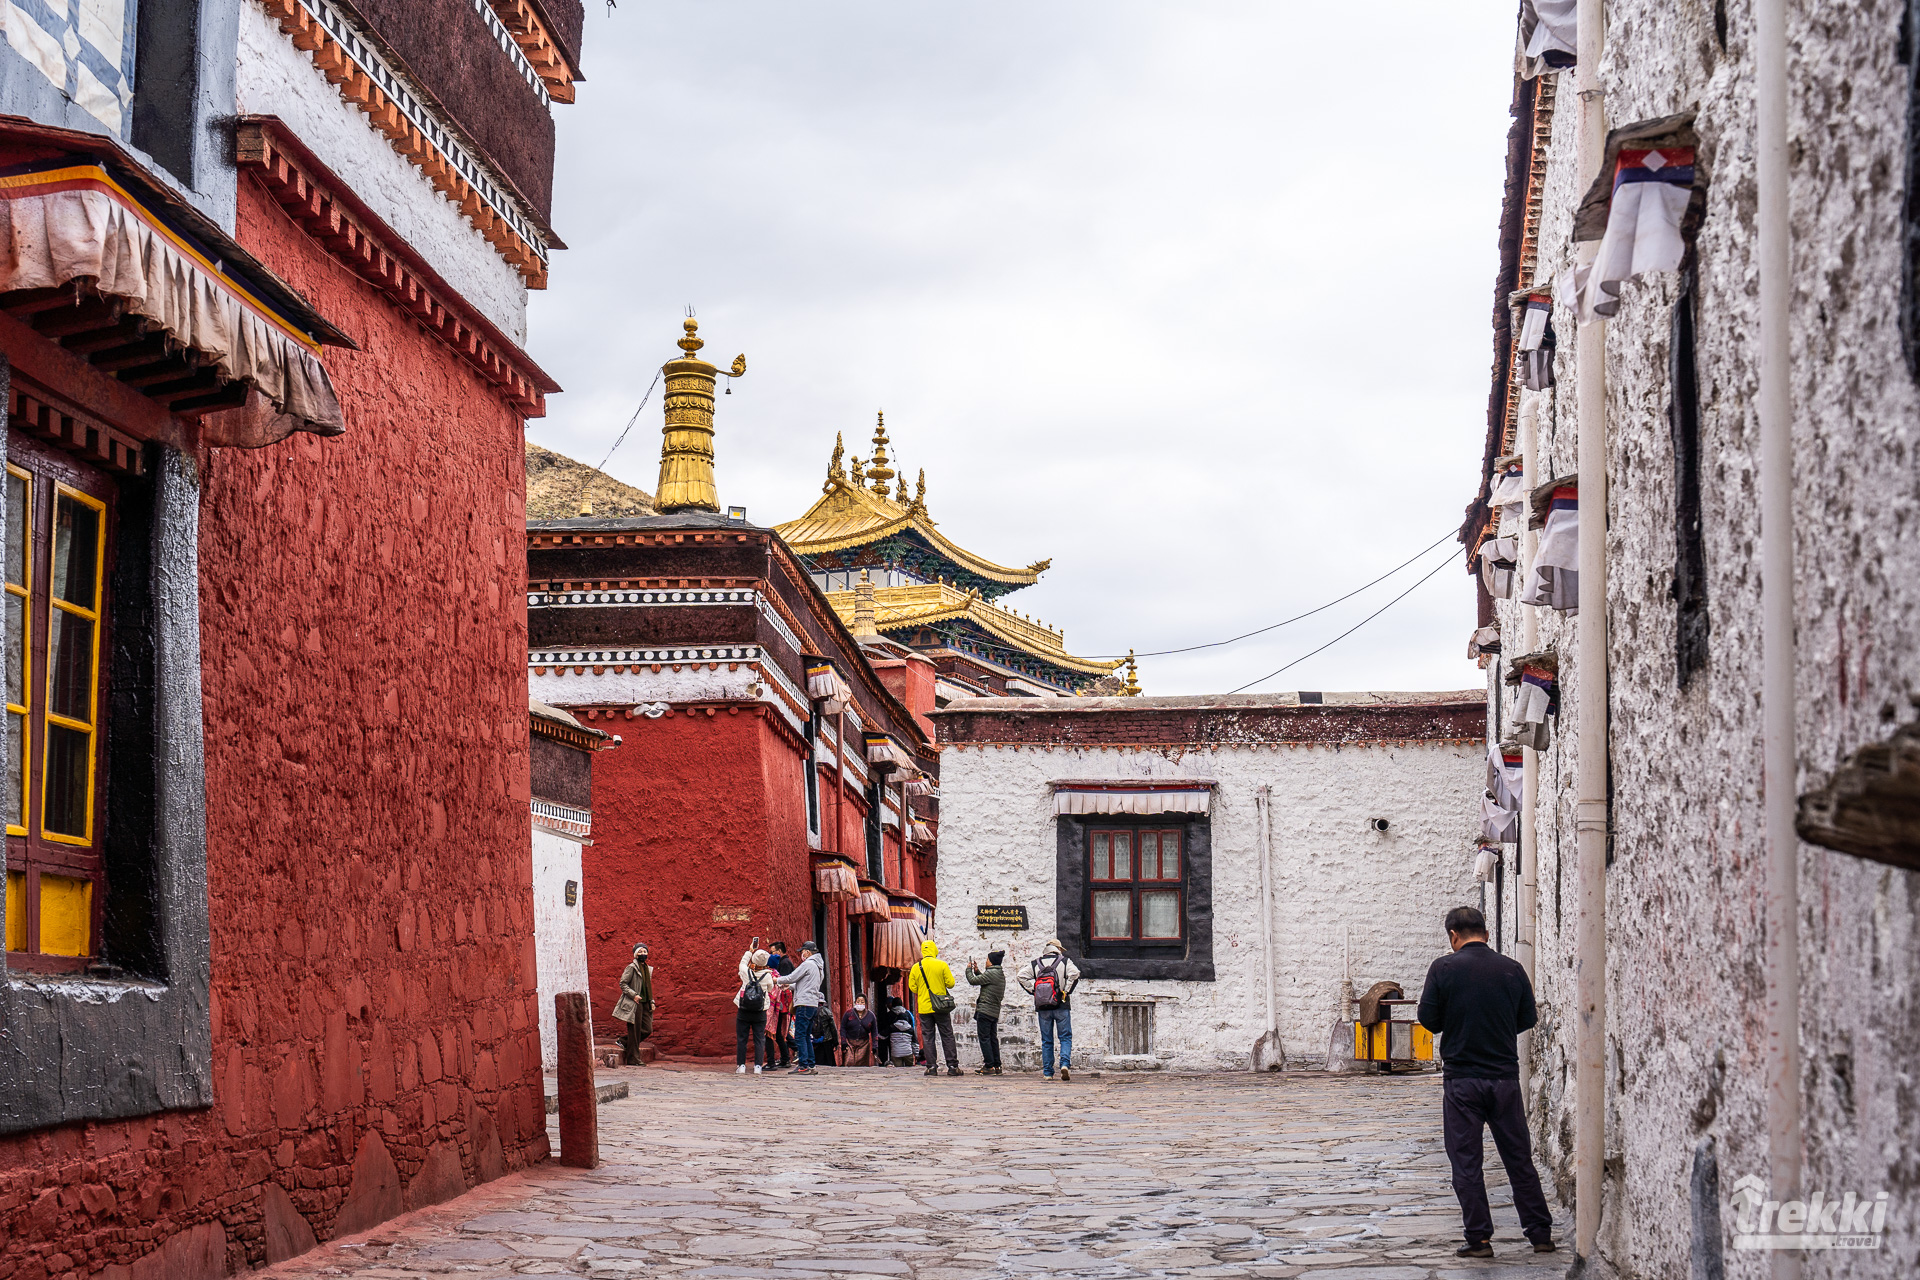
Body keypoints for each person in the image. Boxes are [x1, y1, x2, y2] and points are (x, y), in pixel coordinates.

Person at [1416, 905, 1557, 1258]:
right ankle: (1540, 1234)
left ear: (1453, 936)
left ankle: (1479, 1238)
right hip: (1504, 1078)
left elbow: (1429, 1020)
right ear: (1487, 933)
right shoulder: (1512, 969)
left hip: (1462, 1080)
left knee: (1466, 1161)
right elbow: (1527, 1017)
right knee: (1518, 1158)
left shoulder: (1443, 968)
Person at [1017, 938, 1080, 1081]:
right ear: (1058, 949)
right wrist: (1065, 991)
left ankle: (1048, 1073)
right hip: (1061, 1005)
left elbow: (1020, 976)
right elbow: (1075, 973)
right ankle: (1064, 1064)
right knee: (1064, 1037)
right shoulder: (1064, 962)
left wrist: (1034, 991)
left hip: (1043, 1007)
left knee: (1046, 1040)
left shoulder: (1036, 963)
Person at [906, 939, 960, 1076]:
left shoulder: (916, 967)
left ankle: (931, 1067)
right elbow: (951, 983)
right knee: (947, 1035)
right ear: (934, 950)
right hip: (941, 1007)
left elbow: (912, 988)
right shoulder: (941, 965)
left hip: (924, 1008)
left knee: (928, 1037)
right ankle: (952, 1066)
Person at [774, 941, 827, 1075]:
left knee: (800, 1035)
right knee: (806, 1035)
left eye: (802, 952)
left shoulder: (808, 964)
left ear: (808, 952)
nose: (801, 954)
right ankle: (810, 1063)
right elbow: (805, 983)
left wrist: (777, 980)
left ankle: (803, 1064)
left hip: (804, 1003)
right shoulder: (818, 967)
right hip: (812, 1003)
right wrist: (790, 987)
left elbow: (793, 977)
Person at [734, 946, 776, 1074]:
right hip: (760, 1010)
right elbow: (769, 989)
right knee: (759, 1038)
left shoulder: (746, 973)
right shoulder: (768, 976)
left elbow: (742, 963)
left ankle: (741, 1065)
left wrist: (750, 951)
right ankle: (758, 1066)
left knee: (742, 1038)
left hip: (744, 1009)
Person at [965, 949, 1007, 1075]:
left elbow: (973, 981)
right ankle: (997, 1065)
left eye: (987, 959)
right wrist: (977, 971)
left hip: (985, 1011)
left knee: (984, 1038)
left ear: (992, 962)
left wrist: (969, 970)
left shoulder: (991, 973)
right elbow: (984, 980)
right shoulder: (998, 974)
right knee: (992, 1038)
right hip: (994, 1012)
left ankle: (989, 1065)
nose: (986, 961)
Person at [612, 943, 654, 1065]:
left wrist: (652, 1001)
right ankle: (633, 1058)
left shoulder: (648, 969)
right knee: (634, 1031)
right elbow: (623, 983)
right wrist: (634, 995)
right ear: (635, 954)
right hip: (634, 1003)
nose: (643, 954)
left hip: (646, 1003)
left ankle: (624, 1041)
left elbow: (648, 987)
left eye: (645, 952)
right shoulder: (631, 967)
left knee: (647, 1029)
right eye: (640, 952)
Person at [766, 942, 796, 1068]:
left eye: (772, 952)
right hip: (782, 1005)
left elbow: (782, 986)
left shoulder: (783, 965)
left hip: (779, 1005)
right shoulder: (786, 963)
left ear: (779, 951)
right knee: (779, 1034)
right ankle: (785, 1059)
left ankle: (777, 1060)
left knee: (773, 1033)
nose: (771, 954)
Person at [841, 996, 878, 1066]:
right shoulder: (848, 1013)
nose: (860, 1003)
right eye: (858, 1001)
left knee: (862, 1064)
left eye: (862, 1002)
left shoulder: (871, 1015)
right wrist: (843, 1042)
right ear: (855, 1002)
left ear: (865, 1004)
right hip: (850, 1043)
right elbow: (843, 1028)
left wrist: (875, 1046)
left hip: (864, 1044)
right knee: (849, 1062)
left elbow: (874, 1032)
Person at [887, 1001, 918, 1066]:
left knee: (898, 1069)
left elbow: (882, 1036)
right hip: (908, 1052)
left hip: (896, 1053)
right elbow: (915, 1042)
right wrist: (916, 1054)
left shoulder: (892, 1027)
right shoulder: (910, 1029)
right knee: (909, 1069)